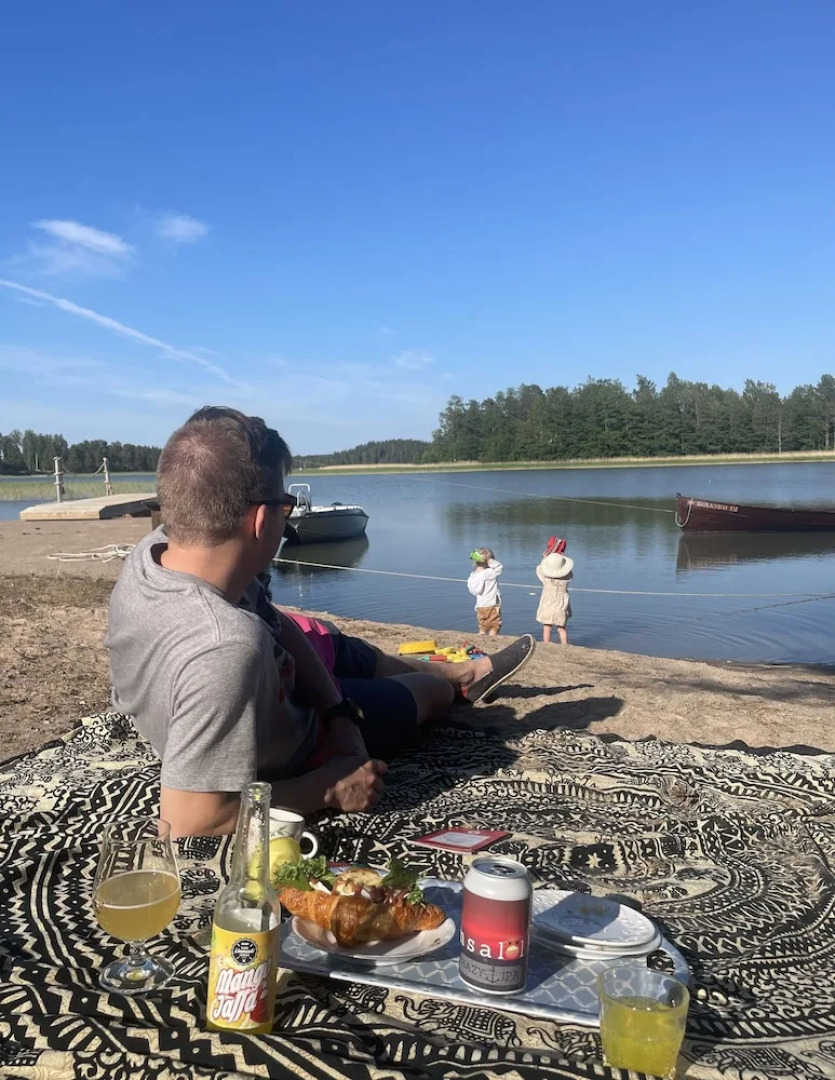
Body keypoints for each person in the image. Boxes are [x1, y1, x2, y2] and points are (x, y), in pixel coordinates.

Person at [104, 407, 535, 837]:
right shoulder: (224, 646)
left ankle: (461, 670)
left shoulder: (160, 548)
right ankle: (455, 682)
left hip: (279, 691)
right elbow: (191, 821)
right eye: (284, 506)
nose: (286, 516)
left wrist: (340, 712)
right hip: (296, 738)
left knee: (346, 648)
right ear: (260, 520)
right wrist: (329, 788)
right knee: (431, 693)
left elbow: (272, 620)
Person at [535, 540, 574, 645]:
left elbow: (539, 569)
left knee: (547, 627)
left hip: (547, 604)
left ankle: (546, 644)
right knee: (562, 628)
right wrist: (560, 560)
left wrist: (545, 559)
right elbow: (570, 573)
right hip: (561, 604)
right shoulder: (566, 579)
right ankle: (565, 645)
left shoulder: (546, 580)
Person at [467, 547, 503, 636]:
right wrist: (489, 560)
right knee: (495, 625)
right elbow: (499, 567)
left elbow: (473, 590)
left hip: (480, 606)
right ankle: (492, 638)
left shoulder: (473, 575)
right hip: (492, 605)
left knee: (482, 625)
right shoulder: (489, 572)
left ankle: (482, 634)